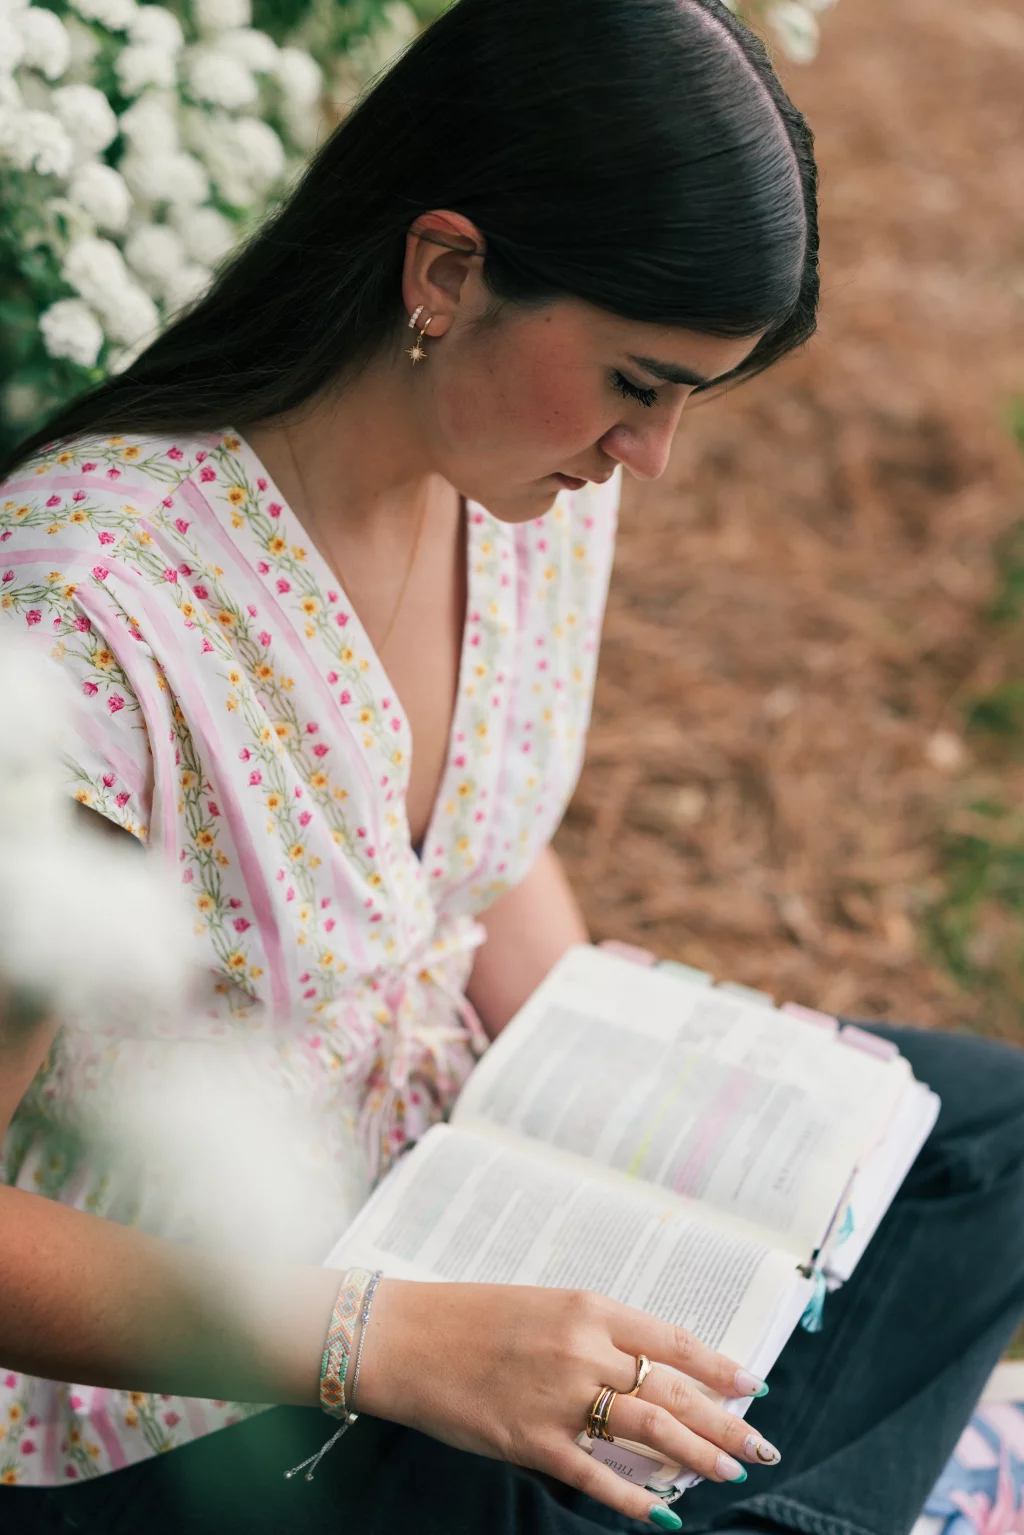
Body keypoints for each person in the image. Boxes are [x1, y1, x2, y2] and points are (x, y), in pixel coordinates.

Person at [0, 0, 1021, 1531]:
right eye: (639, 381)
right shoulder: (93, 628)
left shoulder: (524, 488)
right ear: (448, 271)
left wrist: (650, 1112)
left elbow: (461, 852)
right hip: (200, 1390)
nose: (653, 454)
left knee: (975, 1139)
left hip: (461, 1192)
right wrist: (387, 1340)